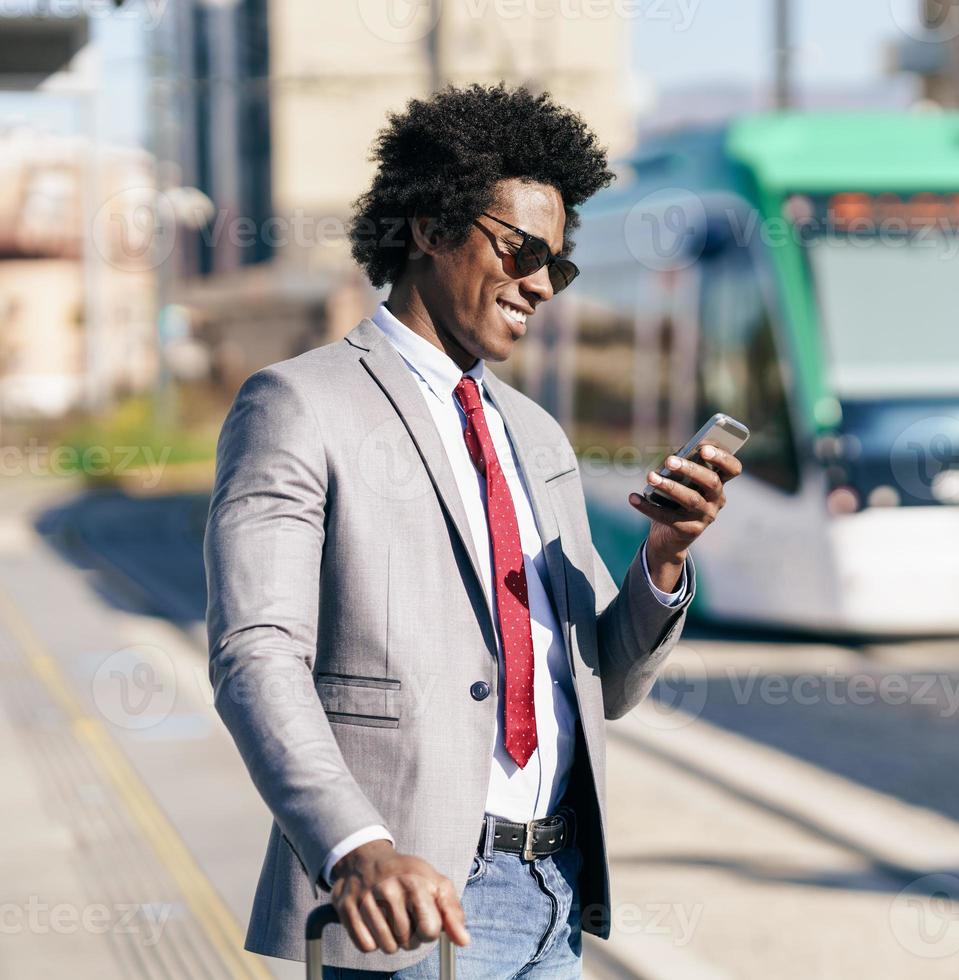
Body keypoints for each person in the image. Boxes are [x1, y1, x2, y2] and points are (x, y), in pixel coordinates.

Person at [204, 84, 740, 978]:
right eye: (522, 248)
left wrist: (663, 557)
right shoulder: (297, 404)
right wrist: (354, 846)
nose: (540, 283)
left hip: (555, 894)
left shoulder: (537, 434)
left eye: (557, 265)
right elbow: (255, 654)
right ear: (429, 225)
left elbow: (605, 679)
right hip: (409, 898)